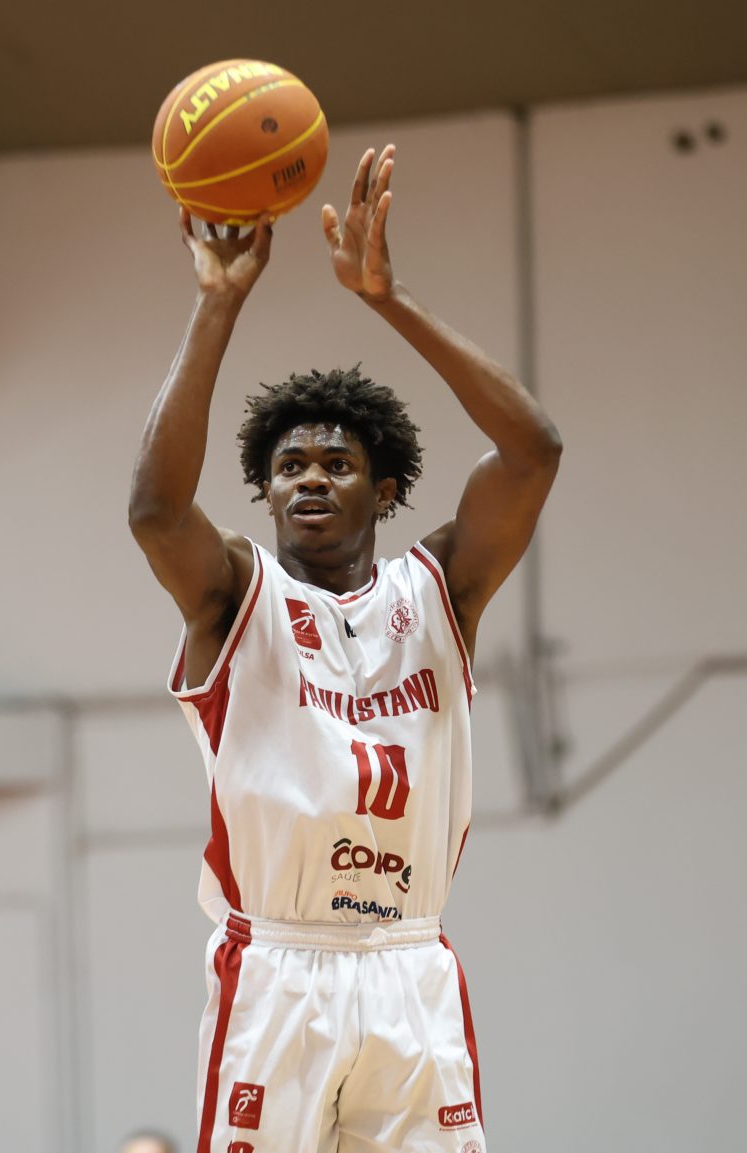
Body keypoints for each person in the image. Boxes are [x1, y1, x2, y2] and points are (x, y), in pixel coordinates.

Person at [129, 144, 561, 1153]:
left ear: (386, 489)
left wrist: (387, 297)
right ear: (266, 493)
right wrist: (219, 303)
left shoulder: (440, 591)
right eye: (288, 466)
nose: (310, 478)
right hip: (278, 970)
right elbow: (154, 511)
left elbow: (533, 449)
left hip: (409, 963)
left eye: (337, 461)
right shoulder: (236, 595)